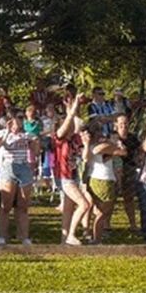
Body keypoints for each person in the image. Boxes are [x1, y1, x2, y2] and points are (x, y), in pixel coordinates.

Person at [0, 109, 38, 245]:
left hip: (23, 167)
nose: (19, 121)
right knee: (6, 205)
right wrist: (7, 132)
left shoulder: (27, 135)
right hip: (8, 168)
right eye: (17, 118)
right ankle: (3, 236)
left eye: (21, 118)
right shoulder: (2, 134)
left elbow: (35, 151)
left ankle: (24, 236)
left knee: (23, 206)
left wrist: (34, 142)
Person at [54, 94, 92, 245]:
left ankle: (64, 240)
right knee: (84, 204)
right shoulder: (60, 138)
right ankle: (71, 235)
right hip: (64, 177)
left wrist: (87, 144)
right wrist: (74, 104)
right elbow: (70, 118)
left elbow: (85, 158)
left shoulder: (76, 138)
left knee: (68, 209)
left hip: (74, 176)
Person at [88, 123, 126, 244]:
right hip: (103, 179)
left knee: (99, 210)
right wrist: (116, 144)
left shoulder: (91, 145)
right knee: (103, 212)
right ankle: (96, 239)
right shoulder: (100, 146)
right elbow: (123, 152)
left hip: (95, 178)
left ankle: (94, 236)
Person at [113, 114, 141, 234]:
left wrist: (138, 160)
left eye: (125, 123)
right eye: (121, 123)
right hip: (114, 169)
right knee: (111, 198)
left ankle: (133, 224)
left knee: (129, 198)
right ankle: (106, 225)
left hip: (129, 168)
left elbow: (139, 151)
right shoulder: (112, 137)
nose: (123, 126)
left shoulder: (133, 138)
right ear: (116, 125)